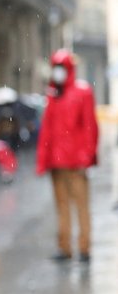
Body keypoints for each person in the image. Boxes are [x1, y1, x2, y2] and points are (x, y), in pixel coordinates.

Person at [35, 49, 99, 263]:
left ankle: (84, 248)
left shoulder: (82, 92)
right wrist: (43, 160)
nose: (58, 72)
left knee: (81, 206)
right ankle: (64, 247)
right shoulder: (53, 95)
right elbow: (47, 130)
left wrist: (87, 157)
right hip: (57, 163)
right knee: (61, 206)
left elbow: (90, 127)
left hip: (76, 162)